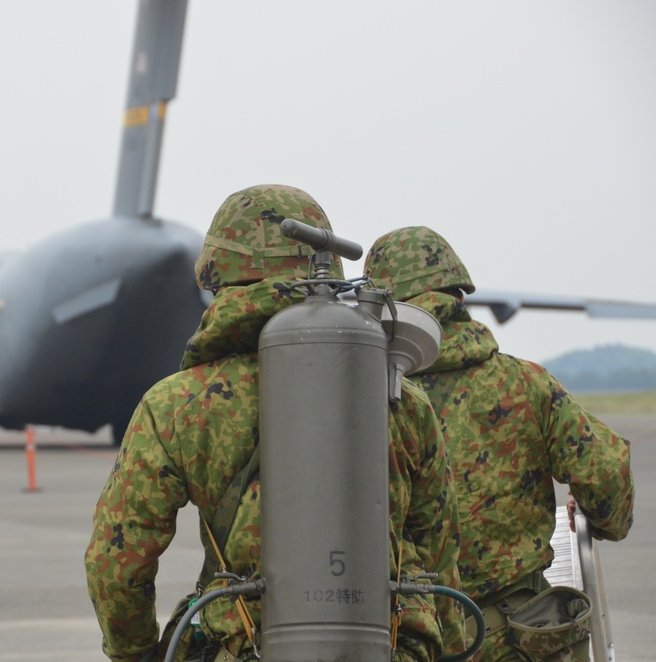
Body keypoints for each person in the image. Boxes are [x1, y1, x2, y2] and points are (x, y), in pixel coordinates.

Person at [85, 185, 464, 661]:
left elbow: (117, 562)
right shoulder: (401, 397)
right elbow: (438, 551)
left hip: (246, 644)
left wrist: (134, 652)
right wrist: (446, 647)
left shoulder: (177, 403)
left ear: (220, 275)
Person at [363, 226, 635, 661]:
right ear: (460, 300)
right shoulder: (524, 383)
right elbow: (607, 477)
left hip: (408, 639)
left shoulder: (362, 399)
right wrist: (598, 518)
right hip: (519, 637)